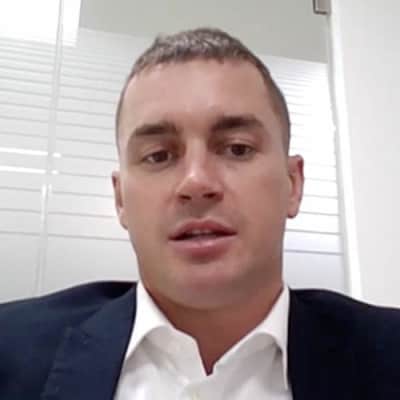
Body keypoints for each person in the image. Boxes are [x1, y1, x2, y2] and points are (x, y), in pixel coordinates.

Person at [0, 28, 399, 400]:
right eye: (159, 155)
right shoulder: (10, 351)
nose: (196, 182)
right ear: (121, 200)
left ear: (292, 184)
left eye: (237, 149)